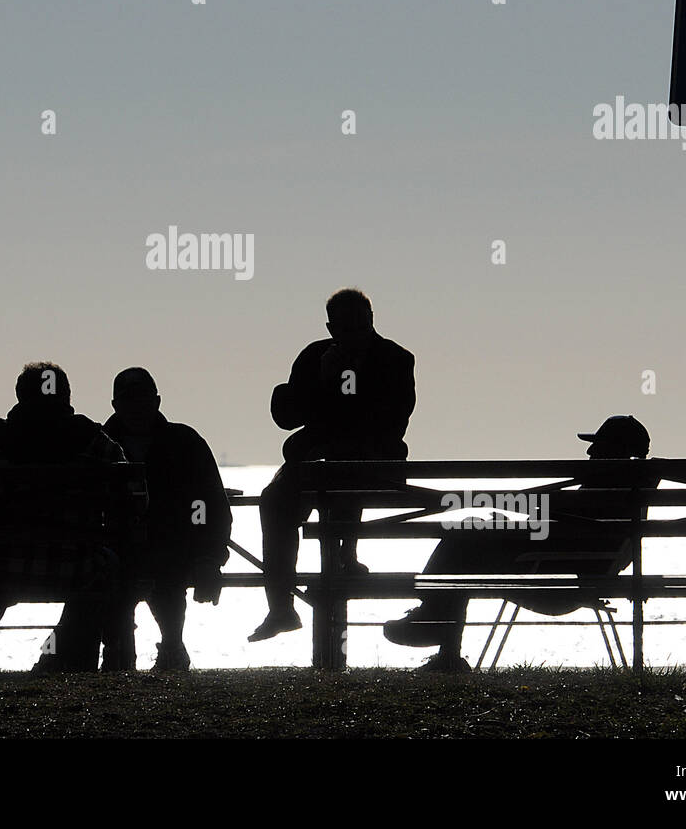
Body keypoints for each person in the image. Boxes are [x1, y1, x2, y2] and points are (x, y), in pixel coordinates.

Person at [382, 414, 656, 672]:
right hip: (574, 573)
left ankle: (436, 625)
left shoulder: (605, 490)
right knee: (467, 542)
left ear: (614, 451)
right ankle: (438, 629)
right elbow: (567, 527)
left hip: (554, 578)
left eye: (597, 447)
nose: (589, 453)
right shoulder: (627, 490)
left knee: (462, 545)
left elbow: (559, 526)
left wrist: (505, 525)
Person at [249, 288, 416, 642]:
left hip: (371, 461)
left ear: (371, 321)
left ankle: (345, 556)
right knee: (274, 501)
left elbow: (390, 422)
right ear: (330, 328)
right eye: (345, 328)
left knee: (343, 477)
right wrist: (325, 381)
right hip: (316, 463)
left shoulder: (395, 359)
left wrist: (341, 391)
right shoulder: (315, 357)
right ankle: (280, 607)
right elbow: (286, 416)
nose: (353, 335)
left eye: (359, 326)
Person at [0, 363, 132, 671]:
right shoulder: (94, 441)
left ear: (20, 396)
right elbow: (133, 499)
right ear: (67, 396)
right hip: (76, 569)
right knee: (107, 567)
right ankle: (80, 658)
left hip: (1, 570)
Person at [103, 367, 231, 671]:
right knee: (124, 575)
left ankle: (149, 648)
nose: (136, 407)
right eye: (129, 400)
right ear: (116, 405)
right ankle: (140, 649)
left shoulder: (184, 442)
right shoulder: (102, 445)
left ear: (156, 401)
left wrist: (209, 556)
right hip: (124, 548)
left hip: (169, 548)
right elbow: (211, 505)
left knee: (154, 572)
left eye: (142, 399)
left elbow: (213, 505)